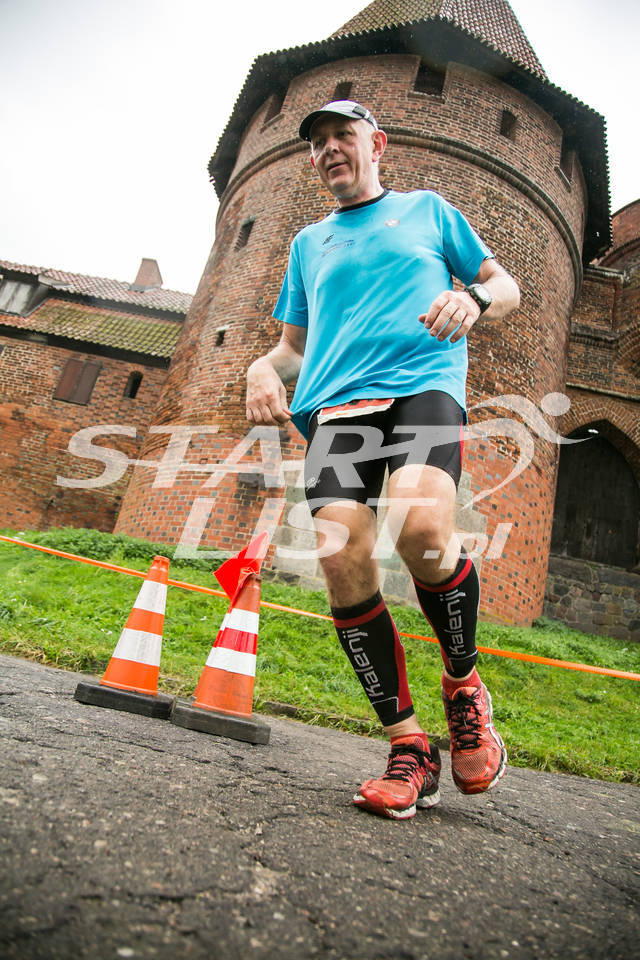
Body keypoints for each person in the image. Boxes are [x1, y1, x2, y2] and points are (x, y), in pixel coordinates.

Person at [245, 100, 520, 820]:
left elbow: (506, 285)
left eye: (344, 135)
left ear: (378, 144)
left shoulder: (429, 211)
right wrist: (262, 368)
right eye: (318, 142)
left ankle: (463, 684)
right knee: (341, 559)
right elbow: (293, 347)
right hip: (337, 409)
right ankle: (409, 747)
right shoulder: (310, 244)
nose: (330, 148)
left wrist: (475, 300)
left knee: (423, 530)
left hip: (422, 388)